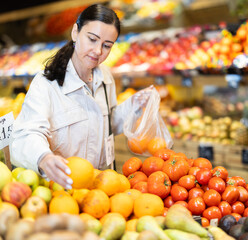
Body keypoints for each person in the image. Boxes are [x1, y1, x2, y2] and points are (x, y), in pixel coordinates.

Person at [10, 4, 152, 189]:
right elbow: (25, 134)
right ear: (75, 32)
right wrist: (43, 157)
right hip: (63, 190)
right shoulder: (46, 84)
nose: (98, 51)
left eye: (107, 45)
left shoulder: (105, 77)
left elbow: (108, 123)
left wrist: (134, 105)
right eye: (92, 39)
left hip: (99, 188)